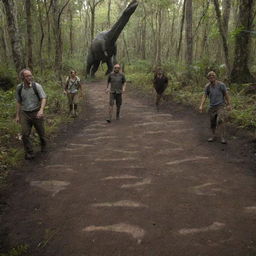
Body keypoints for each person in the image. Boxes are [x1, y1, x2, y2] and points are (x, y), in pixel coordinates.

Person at [16, 69, 47, 160]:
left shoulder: (36, 86)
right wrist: (17, 115)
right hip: (25, 113)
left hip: (36, 111)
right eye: (27, 76)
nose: (30, 77)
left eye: (30, 75)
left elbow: (43, 98)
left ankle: (43, 145)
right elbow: (18, 101)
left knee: (41, 132)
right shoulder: (19, 88)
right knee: (25, 134)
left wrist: (41, 110)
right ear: (22, 77)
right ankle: (30, 152)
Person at [199, 71, 232, 144]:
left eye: (213, 76)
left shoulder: (221, 85)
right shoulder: (207, 86)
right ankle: (213, 136)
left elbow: (226, 95)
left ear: (215, 77)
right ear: (208, 78)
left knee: (220, 120)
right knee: (212, 122)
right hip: (212, 106)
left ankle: (222, 137)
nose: (211, 77)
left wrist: (229, 104)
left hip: (221, 106)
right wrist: (201, 105)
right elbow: (204, 96)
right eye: (210, 77)